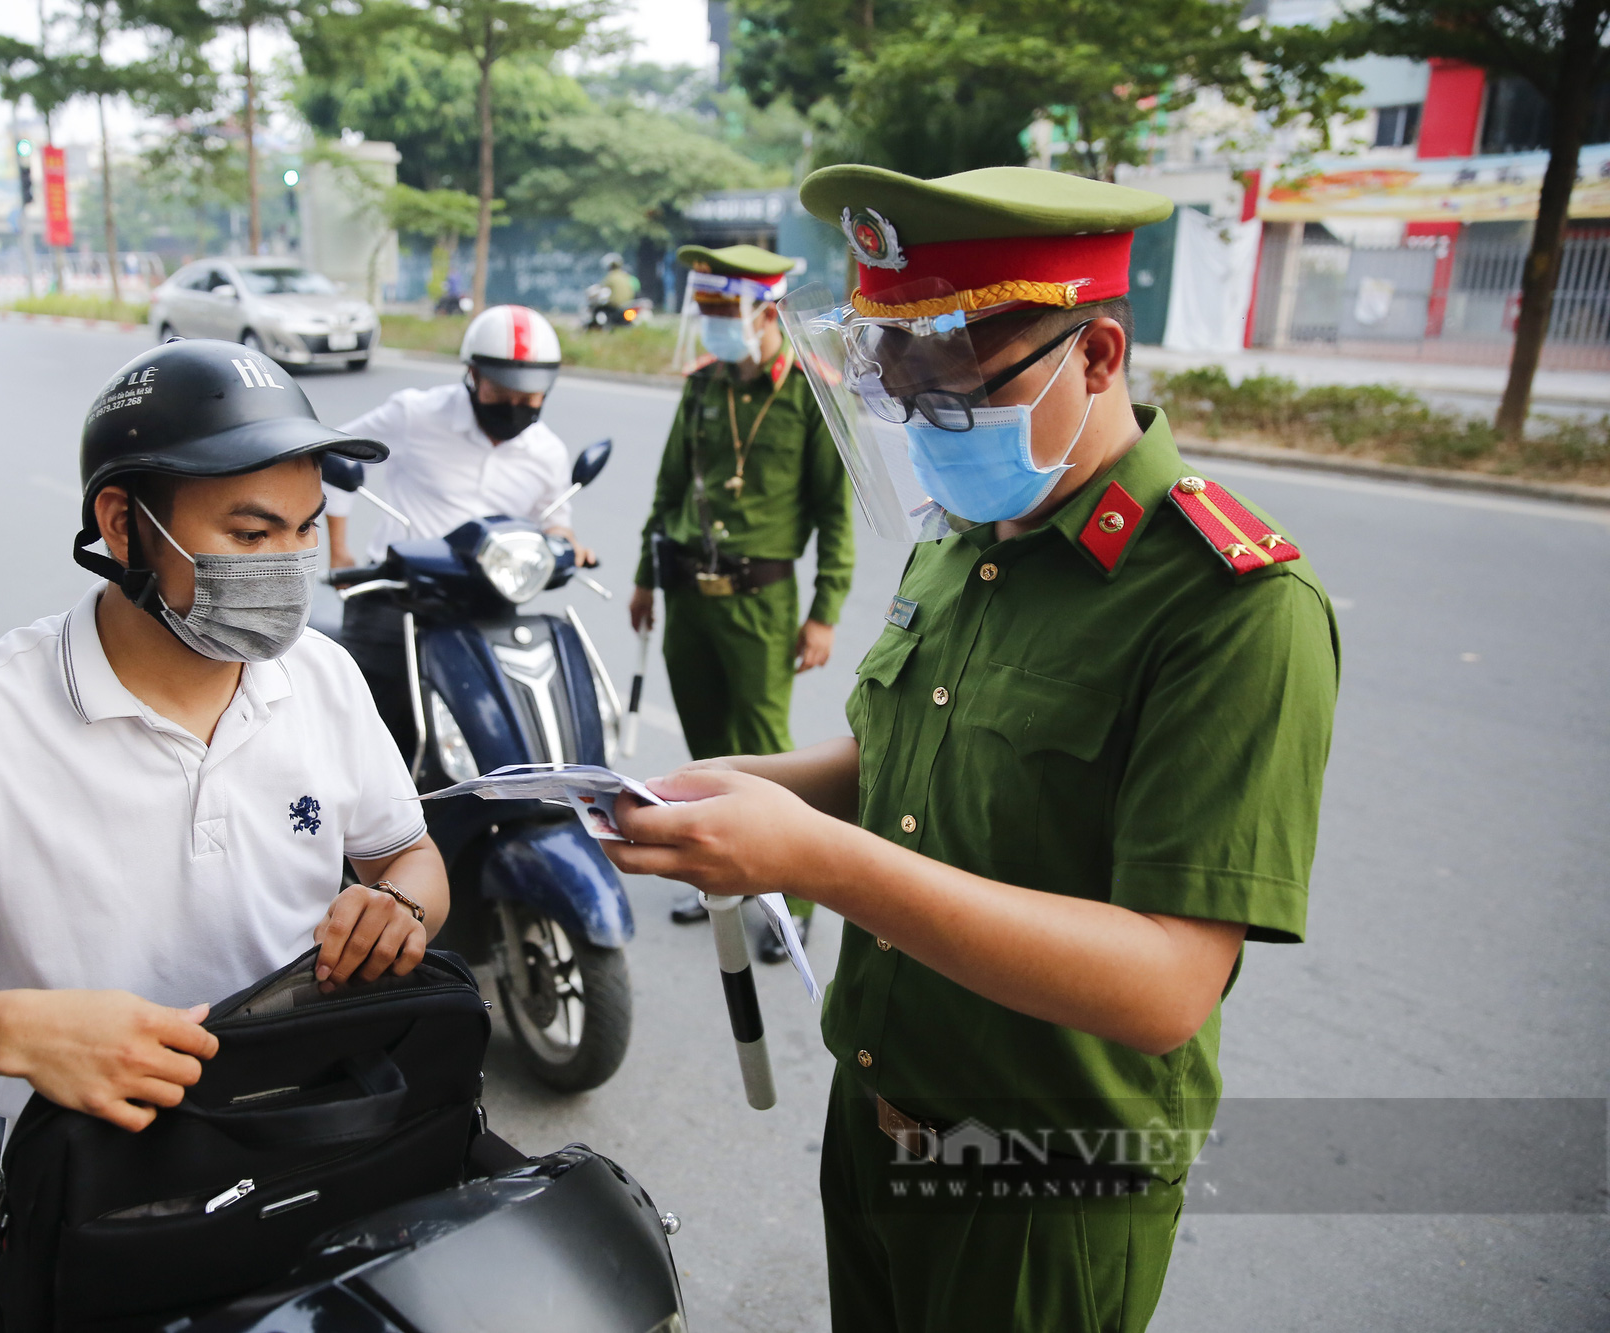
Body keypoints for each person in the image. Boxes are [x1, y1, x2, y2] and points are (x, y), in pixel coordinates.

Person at [604, 166, 1339, 1332]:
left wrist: (809, 859)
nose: (920, 424)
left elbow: (1163, 985)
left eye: (951, 393)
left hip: (1039, 1179)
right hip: (875, 1116)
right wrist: (716, 791)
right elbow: (888, 768)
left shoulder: (1229, 606)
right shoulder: (961, 539)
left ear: (1093, 355)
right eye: (894, 384)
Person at [0, 338, 449, 1138]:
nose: (290, 567)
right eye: (250, 535)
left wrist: (399, 905)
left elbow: (408, 855)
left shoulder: (323, 676)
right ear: (124, 526)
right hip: (97, 1170)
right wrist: (21, 1034)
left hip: (316, 1120)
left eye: (304, 531)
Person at [632, 243, 852, 959]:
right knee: (706, 747)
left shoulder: (808, 392)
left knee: (764, 748)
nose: (716, 328)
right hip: (688, 593)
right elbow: (667, 490)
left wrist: (825, 611)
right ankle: (718, 877)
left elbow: (833, 513)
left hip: (761, 600)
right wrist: (644, 576)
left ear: (766, 312)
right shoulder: (703, 386)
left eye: (727, 313)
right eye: (709, 314)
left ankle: (795, 895)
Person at [325, 303, 595, 758]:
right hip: (395, 595)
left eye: (529, 396)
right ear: (472, 375)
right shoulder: (416, 414)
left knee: (497, 736)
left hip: (487, 602)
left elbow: (554, 520)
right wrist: (338, 548)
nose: (515, 405)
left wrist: (566, 542)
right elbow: (337, 456)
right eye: (502, 391)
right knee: (367, 735)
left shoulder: (547, 451)